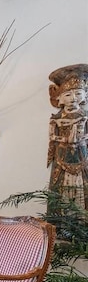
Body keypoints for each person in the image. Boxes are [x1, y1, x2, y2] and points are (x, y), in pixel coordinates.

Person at [47, 64, 88, 208]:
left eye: (78, 93)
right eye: (68, 94)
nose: (73, 98)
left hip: (82, 154)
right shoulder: (55, 119)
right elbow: (53, 136)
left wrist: (82, 138)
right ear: (59, 98)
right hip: (62, 154)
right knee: (61, 187)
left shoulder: (85, 116)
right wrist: (64, 139)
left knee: (82, 186)